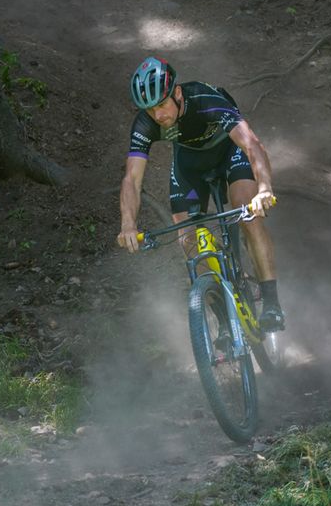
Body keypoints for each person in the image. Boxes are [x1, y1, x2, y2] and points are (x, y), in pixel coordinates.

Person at [117, 56, 285, 331]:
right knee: (188, 239)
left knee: (248, 212)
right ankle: (225, 323)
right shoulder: (145, 124)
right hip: (190, 166)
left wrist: (264, 188)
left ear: (177, 93)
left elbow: (251, 144)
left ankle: (272, 304)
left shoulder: (204, 99)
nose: (158, 115)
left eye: (162, 105)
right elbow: (132, 179)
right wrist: (127, 224)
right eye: (150, 109)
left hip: (229, 153)